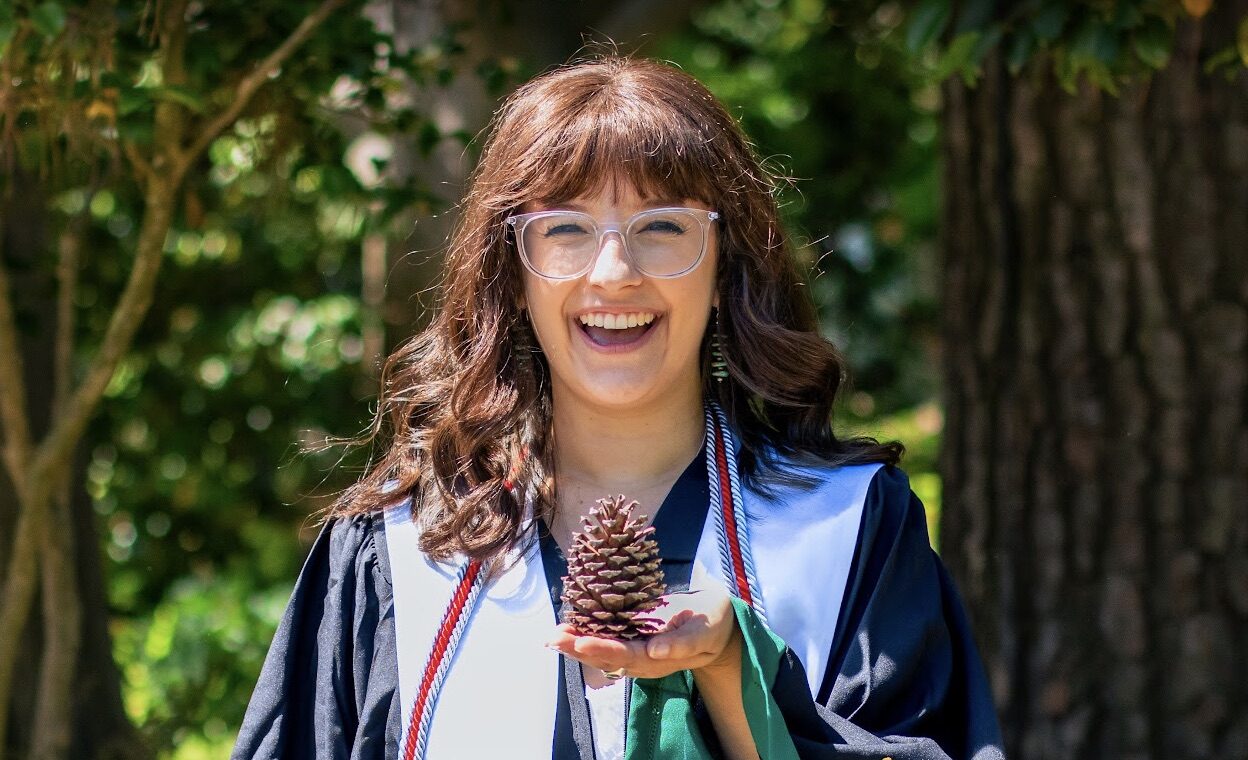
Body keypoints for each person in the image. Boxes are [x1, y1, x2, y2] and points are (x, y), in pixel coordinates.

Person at [232, 55, 1005, 760]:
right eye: (564, 229)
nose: (614, 272)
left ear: (726, 264)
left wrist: (733, 665)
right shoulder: (401, 555)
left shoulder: (845, 530)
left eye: (662, 227)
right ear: (514, 272)